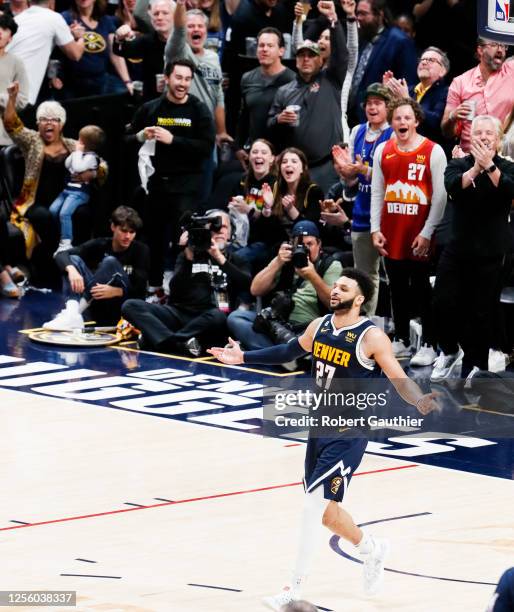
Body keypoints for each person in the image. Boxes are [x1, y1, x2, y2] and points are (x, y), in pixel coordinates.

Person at [208, 267, 439, 609]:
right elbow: (288, 351)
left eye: (343, 287)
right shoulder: (320, 326)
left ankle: (293, 590)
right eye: (335, 285)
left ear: (359, 299)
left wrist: (419, 400)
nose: (335, 290)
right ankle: (372, 549)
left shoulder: (371, 337)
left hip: (349, 433)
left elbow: (398, 378)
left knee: (310, 506)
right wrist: (243, 356)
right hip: (319, 428)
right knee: (328, 514)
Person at [432, 115, 514, 381]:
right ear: (469, 137)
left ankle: (476, 367)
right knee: (443, 301)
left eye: (489, 133)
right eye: (478, 132)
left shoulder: (508, 167)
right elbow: (453, 187)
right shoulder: (457, 163)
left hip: (491, 252)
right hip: (457, 248)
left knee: (481, 311)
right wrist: (477, 168)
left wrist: (489, 166)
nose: (483, 137)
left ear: (499, 138)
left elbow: (509, 189)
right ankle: (449, 349)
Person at [3, 82, 107, 285]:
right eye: (43, 119)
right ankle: (53, 267)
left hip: (67, 198)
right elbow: (12, 125)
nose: (48, 123)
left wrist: (92, 173)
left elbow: (100, 163)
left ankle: (80, 265)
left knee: (83, 214)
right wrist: (12, 99)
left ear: (61, 124)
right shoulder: (32, 141)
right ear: (38, 123)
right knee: (46, 217)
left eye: (54, 119)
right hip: (35, 202)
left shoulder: (72, 145)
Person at [128, 58, 215, 294]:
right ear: (166, 78)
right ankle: (154, 288)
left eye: (188, 79)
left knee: (183, 241)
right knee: (153, 240)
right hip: (156, 185)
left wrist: (173, 140)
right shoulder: (150, 109)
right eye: (179, 78)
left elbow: (206, 147)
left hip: (186, 186)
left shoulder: (198, 110)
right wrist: (140, 137)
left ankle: (180, 292)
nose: (183, 84)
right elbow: (126, 140)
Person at [370, 97, 446, 365]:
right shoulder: (383, 151)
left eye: (406, 117)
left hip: (419, 233)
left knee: (422, 288)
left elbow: (439, 197)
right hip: (392, 232)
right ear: (391, 122)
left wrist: (427, 232)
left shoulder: (433, 151)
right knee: (397, 288)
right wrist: (374, 229)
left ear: (416, 120)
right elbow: (377, 193)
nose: (402, 122)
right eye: (397, 118)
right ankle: (401, 339)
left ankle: (429, 343)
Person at [121, 209, 251, 355]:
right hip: (178, 313)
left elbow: (248, 285)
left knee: (218, 316)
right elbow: (174, 288)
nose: (220, 230)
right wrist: (188, 258)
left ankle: (164, 340)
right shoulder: (189, 253)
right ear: (205, 231)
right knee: (130, 305)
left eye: (224, 227)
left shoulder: (237, 260)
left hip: (210, 319)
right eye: (214, 227)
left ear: (230, 234)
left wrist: (220, 259)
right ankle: (177, 343)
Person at [267, 0, 348, 193]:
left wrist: (333, 21)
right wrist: (279, 119)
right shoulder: (284, 90)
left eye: (311, 55)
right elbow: (269, 125)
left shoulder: (332, 79)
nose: (306, 59)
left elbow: (343, 55)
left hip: (327, 166)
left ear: (321, 60)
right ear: (295, 60)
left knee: (324, 214)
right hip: (295, 168)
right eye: (301, 55)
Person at [227, 219, 342, 352]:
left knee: (319, 336)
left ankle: (273, 352)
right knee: (236, 318)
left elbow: (333, 304)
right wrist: (277, 262)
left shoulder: (330, 265)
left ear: (319, 244)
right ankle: (285, 355)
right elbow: (255, 290)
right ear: (291, 244)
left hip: (307, 327)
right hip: (276, 324)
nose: (304, 249)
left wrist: (313, 276)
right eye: (299, 245)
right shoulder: (285, 260)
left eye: (309, 244)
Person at [333, 82, 393, 315]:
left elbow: (392, 176)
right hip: (362, 212)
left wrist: (363, 171)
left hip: (389, 214)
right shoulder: (357, 131)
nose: (372, 107)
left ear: (388, 107)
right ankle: (363, 323)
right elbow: (351, 182)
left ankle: (400, 331)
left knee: (395, 275)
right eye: (369, 103)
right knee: (365, 275)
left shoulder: (393, 134)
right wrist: (346, 174)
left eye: (378, 103)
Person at [44, 206, 150, 328]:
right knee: (73, 260)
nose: (128, 236)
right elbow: (61, 254)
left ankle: (74, 314)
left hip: (120, 307)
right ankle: (72, 312)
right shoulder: (100, 244)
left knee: (109, 262)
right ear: (113, 227)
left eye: (132, 232)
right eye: (124, 231)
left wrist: (118, 291)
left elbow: (141, 293)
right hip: (96, 302)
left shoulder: (141, 250)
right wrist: (71, 269)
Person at [235, 27, 295, 167]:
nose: (264, 49)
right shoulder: (247, 78)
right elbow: (244, 116)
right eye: (261, 45)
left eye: (270, 46)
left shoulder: (293, 80)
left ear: (281, 50)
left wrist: (288, 154)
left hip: (283, 156)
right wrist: (238, 147)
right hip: (256, 155)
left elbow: (298, 125)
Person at [441, 38, 514, 153]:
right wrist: (452, 117)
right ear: (480, 50)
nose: (500, 50)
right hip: (469, 158)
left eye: (504, 46)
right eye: (494, 44)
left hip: (505, 156)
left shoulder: (511, 71)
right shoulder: (460, 82)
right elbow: (447, 133)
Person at [349, 0, 417, 122]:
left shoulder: (399, 41)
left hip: (381, 118)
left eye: (364, 14)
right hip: (354, 113)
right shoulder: (363, 37)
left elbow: (408, 82)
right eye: (357, 13)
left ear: (379, 15)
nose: (358, 18)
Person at [6, 0, 84, 105]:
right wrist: (81, 38)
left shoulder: (16, 20)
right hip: (18, 94)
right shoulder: (54, 18)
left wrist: (66, 32)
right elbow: (76, 54)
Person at [50, 125, 106, 254]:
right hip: (67, 191)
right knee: (53, 210)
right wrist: (76, 153)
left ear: (84, 143)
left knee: (64, 213)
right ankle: (61, 234)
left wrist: (77, 152)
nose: (77, 141)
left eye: (79, 140)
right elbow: (68, 164)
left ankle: (66, 242)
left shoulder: (92, 158)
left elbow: (78, 167)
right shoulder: (79, 155)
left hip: (79, 193)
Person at [60, 0, 132, 97]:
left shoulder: (105, 20)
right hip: (74, 84)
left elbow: (115, 54)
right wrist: (69, 34)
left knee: (127, 95)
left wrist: (127, 82)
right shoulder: (65, 18)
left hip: (102, 80)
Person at [383, 45, 450, 146]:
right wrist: (389, 95)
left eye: (431, 60)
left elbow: (435, 122)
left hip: (427, 150)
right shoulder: (409, 90)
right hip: (402, 145)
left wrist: (407, 100)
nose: (423, 62)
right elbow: (391, 120)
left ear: (443, 71)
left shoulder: (447, 92)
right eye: (422, 59)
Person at [113, 0, 175, 101]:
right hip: (152, 102)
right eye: (156, 14)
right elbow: (119, 50)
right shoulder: (147, 40)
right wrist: (119, 38)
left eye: (165, 13)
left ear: (175, 17)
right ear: (151, 19)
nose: (159, 17)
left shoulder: (183, 42)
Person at [0, 13, 28, 147]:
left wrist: (3, 99)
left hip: (3, 135)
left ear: (10, 38)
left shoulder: (16, 62)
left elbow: (22, 100)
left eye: (5, 29)